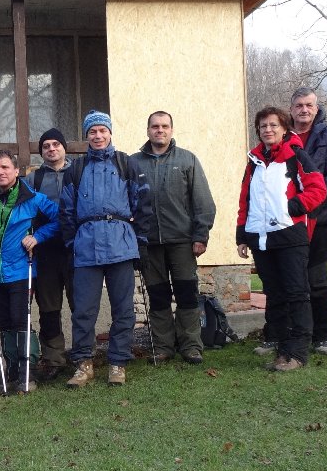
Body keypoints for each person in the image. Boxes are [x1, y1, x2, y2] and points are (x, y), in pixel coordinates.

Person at [60, 110, 152, 388]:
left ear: (110, 133)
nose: (98, 136)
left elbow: (143, 203)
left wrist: (139, 240)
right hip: (86, 248)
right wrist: (72, 243)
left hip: (121, 246)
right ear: (86, 136)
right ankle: (83, 364)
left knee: (123, 309)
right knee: (83, 310)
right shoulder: (75, 169)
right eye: (92, 131)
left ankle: (117, 363)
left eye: (102, 130)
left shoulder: (126, 163)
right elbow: (66, 210)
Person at [235, 107, 327, 371]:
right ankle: (281, 348)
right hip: (261, 239)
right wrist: (242, 235)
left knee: (296, 294)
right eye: (263, 126)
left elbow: (318, 188)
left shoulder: (296, 156)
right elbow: (246, 200)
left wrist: (294, 207)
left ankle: (297, 353)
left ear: (285, 129)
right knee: (274, 294)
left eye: (273, 125)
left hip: (290, 236)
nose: (268, 130)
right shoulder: (253, 162)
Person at [0, 150, 60, 394]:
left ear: (16, 171)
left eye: (5, 167)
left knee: (20, 321)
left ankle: (28, 372)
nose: (0, 172)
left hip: (20, 270)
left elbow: (58, 219)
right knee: (3, 322)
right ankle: (10, 372)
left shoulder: (33, 198)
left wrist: (38, 237)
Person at [133, 111, 216, 364]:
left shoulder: (187, 159)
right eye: (155, 126)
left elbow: (203, 201)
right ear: (148, 130)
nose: (160, 130)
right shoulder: (133, 163)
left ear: (171, 130)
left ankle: (191, 346)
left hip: (182, 241)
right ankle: (163, 347)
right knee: (158, 296)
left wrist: (200, 235)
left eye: (164, 126)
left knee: (186, 294)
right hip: (149, 243)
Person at [288, 88, 327, 356]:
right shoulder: (281, 136)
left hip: (317, 218)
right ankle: (290, 332)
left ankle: (322, 336)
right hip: (286, 220)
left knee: (318, 280)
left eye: (309, 105)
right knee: (288, 280)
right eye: (299, 105)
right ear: (291, 109)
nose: (304, 110)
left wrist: (308, 203)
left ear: (316, 108)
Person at [29, 128, 75, 380]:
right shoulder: (33, 179)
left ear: (64, 147)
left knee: (81, 305)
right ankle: (54, 358)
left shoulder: (78, 172)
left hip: (77, 250)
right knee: (48, 309)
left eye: (56, 144)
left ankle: (83, 355)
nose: (51, 149)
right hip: (45, 252)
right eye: (46, 146)